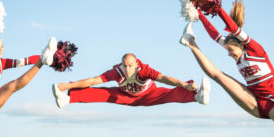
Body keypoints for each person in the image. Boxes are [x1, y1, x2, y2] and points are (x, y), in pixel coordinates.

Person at [179, 0, 274, 137]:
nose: (228, 54)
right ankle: (190, 41)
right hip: (253, 100)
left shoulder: (256, 51)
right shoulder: (236, 52)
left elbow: (234, 29)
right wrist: (198, 13)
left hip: (273, 102)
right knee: (218, 76)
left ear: (240, 45)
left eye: (230, 50)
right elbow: (214, 34)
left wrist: (218, 9)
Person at [52, 53, 210, 108]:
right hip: (125, 96)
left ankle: (198, 96)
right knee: (102, 93)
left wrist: (184, 84)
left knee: (170, 94)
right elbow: (93, 81)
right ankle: (67, 98)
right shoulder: (116, 71)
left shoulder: (145, 70)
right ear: (121, 64)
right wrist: (68, 85)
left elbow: (164, 78)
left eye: (130, 66)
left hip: (149, 95)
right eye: (124, 66)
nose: (127, 69)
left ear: (136, 64)